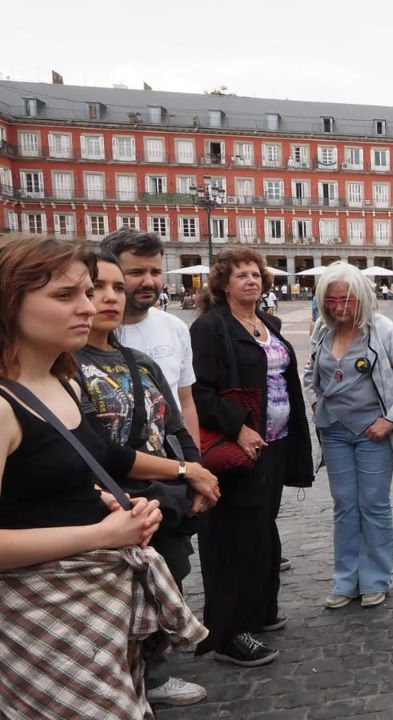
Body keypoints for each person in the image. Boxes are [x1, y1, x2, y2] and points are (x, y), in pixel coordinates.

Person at [0, 236, 209, 717]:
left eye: (86, 293)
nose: (88, 307)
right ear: (10, 301)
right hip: (41, 615)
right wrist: (100, 533)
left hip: (93, 609)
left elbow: (63, 477)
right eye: (64, 296)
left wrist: (112, 504)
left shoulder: (62, 380)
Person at [76, 250, 218, 708]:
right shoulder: (66, 365)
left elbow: (174, 424)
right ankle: (120, 683)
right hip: (112, 503)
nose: (110, 297)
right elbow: (104, 452)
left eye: (118, 288)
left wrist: (196, 474)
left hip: (162, 500)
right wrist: (185, 471)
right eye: (97, 287)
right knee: (115, 600)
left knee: (167, 583)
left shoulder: (139, 361)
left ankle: (154, 674)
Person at [190, 248, 314, 667]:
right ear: (224, 283)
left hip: (274, 444)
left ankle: (258, 611)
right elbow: (200, 391)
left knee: (261, 528)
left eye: (256, 274)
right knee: (233, 537)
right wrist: (238, 427)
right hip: (238, 447)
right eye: (240, 275)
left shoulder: (268, 324)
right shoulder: (210, 327)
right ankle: (227, 632)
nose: (251, 281)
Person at [305, 263, 393, 610]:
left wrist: (390, 420)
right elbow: (311, 370)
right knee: (345, 505)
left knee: (373, 505)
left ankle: (375, 577)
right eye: (332, 301)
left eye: (347, 300)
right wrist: (315, 403)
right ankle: (345, 580)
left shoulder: (381, 329)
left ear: (362, 298)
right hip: (334, 431)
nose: (340, 308)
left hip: (373, 433)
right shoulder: (322, 331)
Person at [100, 229, 201, 446]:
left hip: (173, 460)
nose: (149, 282)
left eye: (155, 272)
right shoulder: (89, 333)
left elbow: (185, 400)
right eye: (136, 273)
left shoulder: (176, 327)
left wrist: (195, 458)